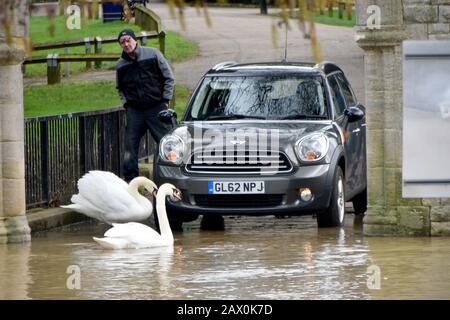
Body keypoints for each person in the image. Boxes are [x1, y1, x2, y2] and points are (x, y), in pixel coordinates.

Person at [116, 29, 174, 182]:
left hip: (156, 107)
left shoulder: (153, 54)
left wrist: (166, 99)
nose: (126, 44)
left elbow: (168, 78)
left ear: (135, 40)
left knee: (167, 142)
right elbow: (120, 88)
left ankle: (173, 175)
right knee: (130, 144)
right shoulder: (120, 65)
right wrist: (126, 105)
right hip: (135, 111)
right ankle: (131, 180)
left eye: (128, 40)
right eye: (122, 42)